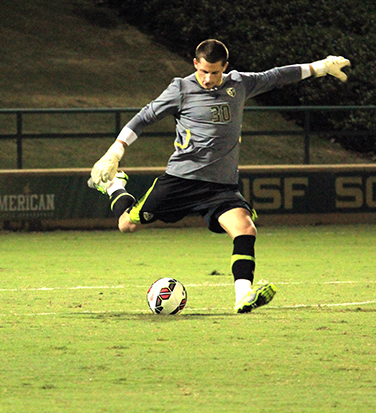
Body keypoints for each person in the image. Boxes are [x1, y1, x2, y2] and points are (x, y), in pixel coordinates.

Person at [89, 39, 350, 313]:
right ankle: (114, 185)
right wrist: (115, 152)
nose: (208, 78)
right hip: (181, 181)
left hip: (221, 186)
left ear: (225, 67)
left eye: (215, 72)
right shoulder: (181, 88)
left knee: (246, 229)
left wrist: (320, 67)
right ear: (195, 64)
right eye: (203, 71)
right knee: (125, 225)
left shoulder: (239, 84)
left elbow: (277, 76)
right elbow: (144, 118)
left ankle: (243, 296)